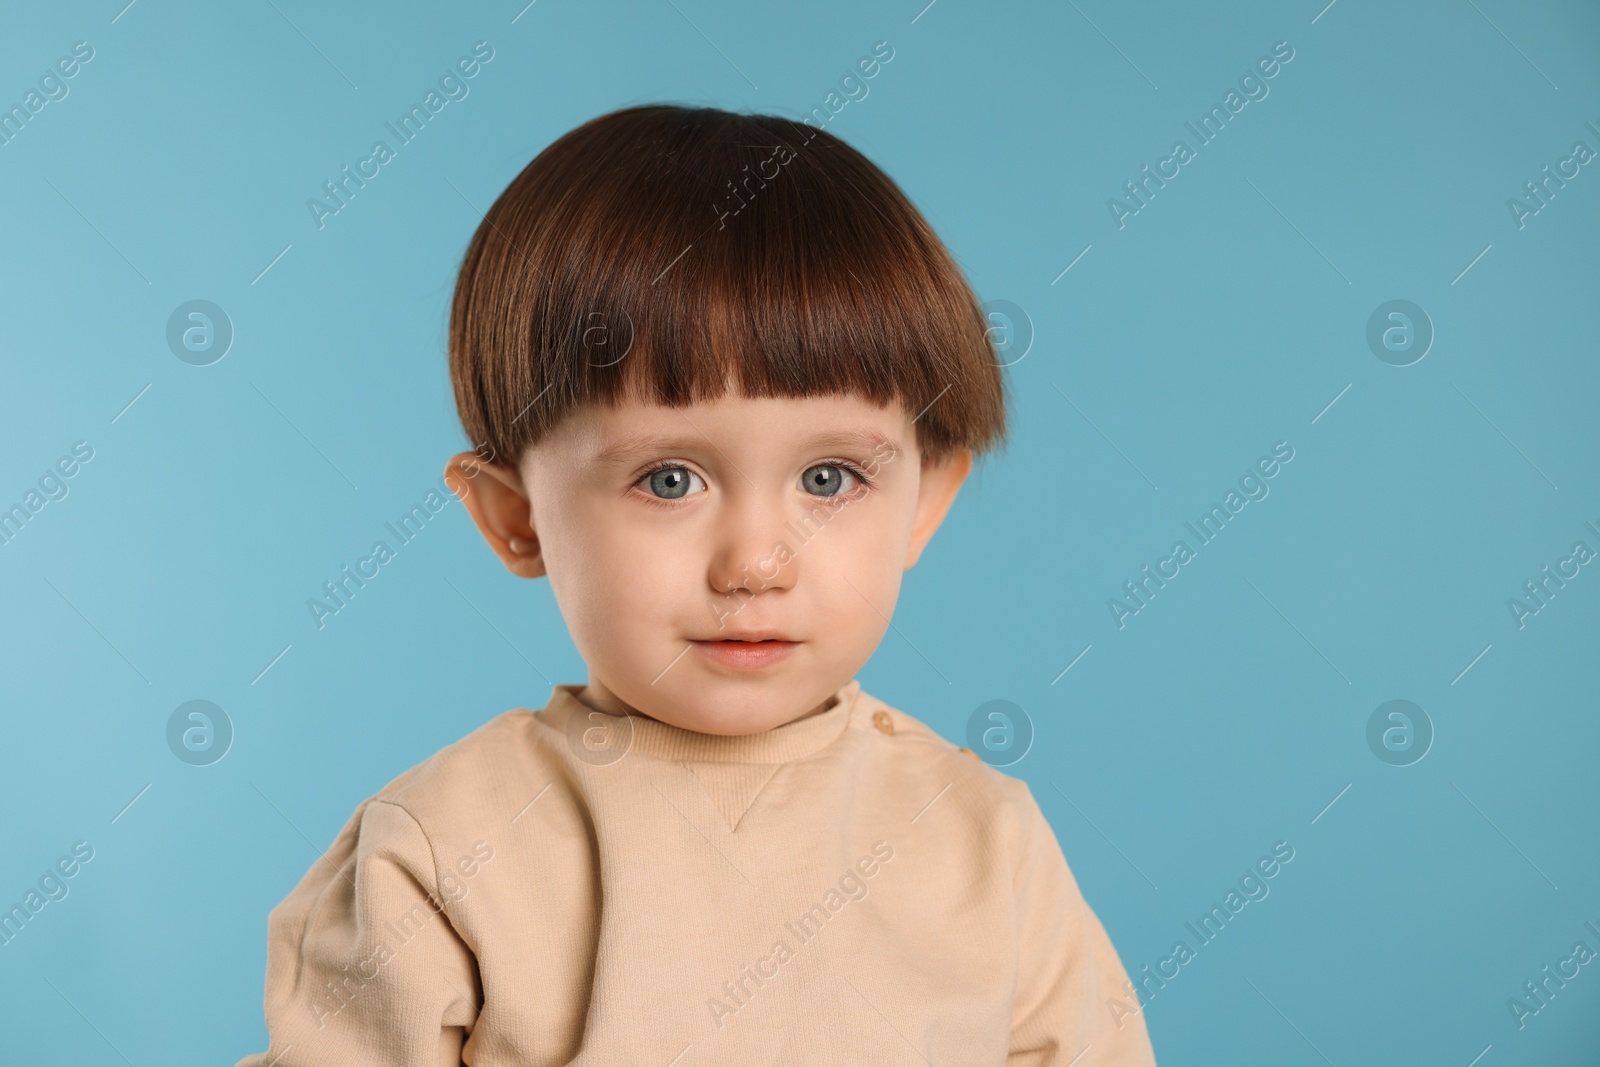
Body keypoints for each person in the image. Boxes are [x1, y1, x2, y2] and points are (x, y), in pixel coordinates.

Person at [236, 103, 1156, 1066]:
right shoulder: (436, 854)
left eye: (829, 478)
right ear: (516, 516)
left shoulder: (986, 847)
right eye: (668, 479)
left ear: (925, 501)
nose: (757, 564)